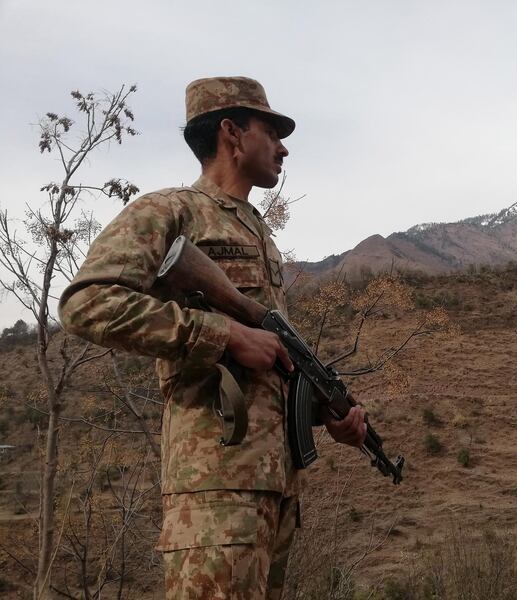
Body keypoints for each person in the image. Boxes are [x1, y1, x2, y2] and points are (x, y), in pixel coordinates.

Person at [59, 76, 367, 599]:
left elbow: (267, 365)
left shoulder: (260, 235)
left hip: (275, 491)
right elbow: (86, 304)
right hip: (214, 491)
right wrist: (220, 335)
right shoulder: (169, 211)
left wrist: (324, 413)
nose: (283, 146)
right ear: (232, 133)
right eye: (271, 131)